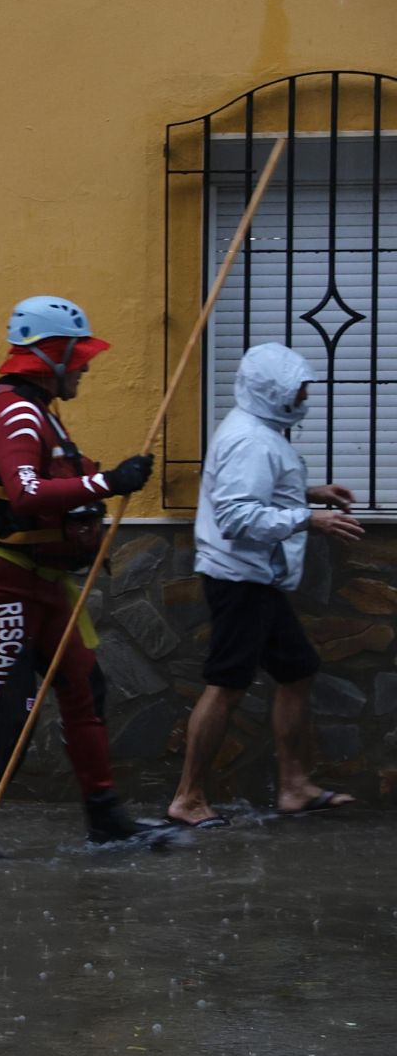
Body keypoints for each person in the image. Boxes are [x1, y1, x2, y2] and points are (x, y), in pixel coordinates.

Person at [0, 295, 165, 864]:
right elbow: (27, 494)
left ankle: (105, 820)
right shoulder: (17, 414)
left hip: (42, 582)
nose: (86, 366)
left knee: (84, 686)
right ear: (53, 355)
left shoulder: (31, 407)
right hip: (2, 582)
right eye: (79, 356)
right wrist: (109, 482)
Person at [166, 342, 362, 828]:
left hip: (258, 577)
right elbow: (236, 516)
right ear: (275, 391)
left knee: (297, 669)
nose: (305, 393)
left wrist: (308, 492)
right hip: (240, 578)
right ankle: (188, 798)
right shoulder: (251, 439)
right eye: (299, 387)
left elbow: (255, 491)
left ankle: (294, 787)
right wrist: (308, 518)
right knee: (227, 685)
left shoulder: (261, 431)